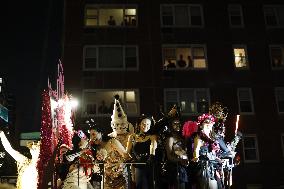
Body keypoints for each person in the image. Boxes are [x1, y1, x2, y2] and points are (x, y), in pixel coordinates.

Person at [103, 95, 133, 189]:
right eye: (117, 124)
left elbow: (129, 154)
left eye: (122, 124)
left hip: (123, 169)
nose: (119, 127)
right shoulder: (109, 138)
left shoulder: (130, 136)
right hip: (109, 170)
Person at [191, 113, 223, 189]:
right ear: (201, 125)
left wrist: (218, 159)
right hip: (204, 166)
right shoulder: (199, 137)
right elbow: (196, 149)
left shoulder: (213, 139)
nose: (209, 124)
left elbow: (213, 153)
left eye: (210, 122)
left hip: (213, 166)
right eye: (206, 122)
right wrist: (196, 157)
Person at [127, 115, 157, 189]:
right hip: (138, 166)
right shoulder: (132, 137)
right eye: (143, 123)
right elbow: (127, 151)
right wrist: (131, 159)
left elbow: (153, 147)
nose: (145, 126)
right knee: (140, 185)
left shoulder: (152, 136)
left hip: (149, 165)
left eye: (148, 124)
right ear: (139, 124)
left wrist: (151, 156)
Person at [165, 105, 189, 189]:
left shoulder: (182, 138)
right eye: (175, 123)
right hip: (174, 169)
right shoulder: (170, 138)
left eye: (179, 123)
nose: (177, 125)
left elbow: (184, 152)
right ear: (171, 125)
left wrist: (185, 159)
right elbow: (169, 156)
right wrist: (180, 160)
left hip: (183, 167)